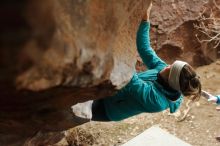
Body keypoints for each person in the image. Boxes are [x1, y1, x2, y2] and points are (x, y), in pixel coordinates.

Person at [72, 1, 202, 122]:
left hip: (108, 108)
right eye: (171, 64)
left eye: (170, 69)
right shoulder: (165, 71)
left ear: (170, 80)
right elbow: (145, 49)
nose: (166, 65)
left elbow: (129, 78)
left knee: (73, 108)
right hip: (112, 87)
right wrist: (145, 19)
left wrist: (117, 42)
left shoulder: (156, 101)